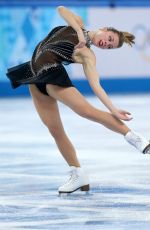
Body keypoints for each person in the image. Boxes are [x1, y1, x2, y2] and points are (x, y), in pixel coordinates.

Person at [6, 6, 150, 194]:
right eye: (109, 39)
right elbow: (61, 9)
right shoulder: (78, 25)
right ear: (105, 29)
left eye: (110, 46)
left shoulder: (88, 55)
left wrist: (113, 109)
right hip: (34, 78)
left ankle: (135, 138)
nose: (106, 44)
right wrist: (80, 35)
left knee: (87, 111)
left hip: (52, 75)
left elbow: (96, 85)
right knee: (55, 130)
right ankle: (78, 174)